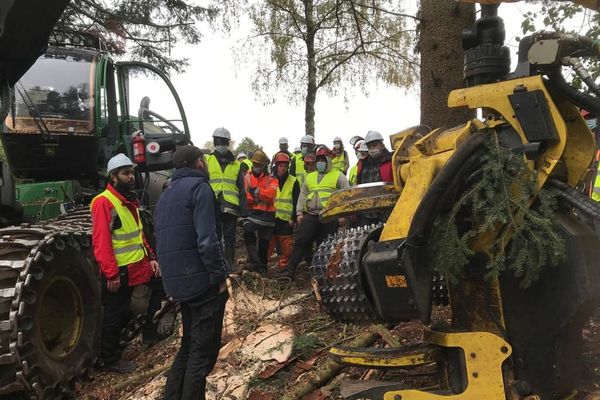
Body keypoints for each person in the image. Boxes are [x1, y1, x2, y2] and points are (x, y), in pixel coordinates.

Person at [154, 145, 229, 400]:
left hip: (178, 284)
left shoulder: (166, 194)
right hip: (201, 284)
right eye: (204, 160)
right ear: (198, 163)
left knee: (187, 348)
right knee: (201, 355)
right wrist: (219, 277)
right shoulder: (200, 189)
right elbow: (208, 240)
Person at [91, 153, 160, 373]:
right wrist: (110, 274)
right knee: (115, 314)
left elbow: (138, 234)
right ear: (113, 177)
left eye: (131, 172)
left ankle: (150, 332)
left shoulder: (129, 201)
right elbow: (101, 242)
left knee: (160, 288)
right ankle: (109, 360)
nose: (131, 177)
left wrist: (151, 258)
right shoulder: (103, 202)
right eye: (125, 173)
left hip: (139, 265)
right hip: (120, 271)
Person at [274, 146, 349, 279]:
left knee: (325, 244)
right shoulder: (310, 177)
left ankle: (323, 274)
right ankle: (290, 271)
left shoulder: (338, 176)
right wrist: (299, 213)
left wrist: (343, 215)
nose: (320, 162)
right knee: (301, 240)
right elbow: (303, 195)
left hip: (329, 216)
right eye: (318, 160)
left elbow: (347, 194)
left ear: (328, 160)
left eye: (322, 159)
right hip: (312, 215)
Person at [205, 127, 246, 271]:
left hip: (231, 205)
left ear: (228, 143)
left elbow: (242, 188)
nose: (221, 144)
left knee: (229, 237)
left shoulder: (236, 165)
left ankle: (229, 265)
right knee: (214, 237)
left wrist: (244, 211)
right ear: (215, 141)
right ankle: (218, 266)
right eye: (219, 141)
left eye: (224, 141)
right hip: (212, 203)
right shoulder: (207, 160)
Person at [242, 149, 279, 274]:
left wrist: (256, 193)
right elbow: (247, 196)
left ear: (264, 165)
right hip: (253, 215)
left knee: (264, 245)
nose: (256, 167)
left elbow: (270, 195)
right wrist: (259, 196)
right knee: (248, 231)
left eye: (259, 164)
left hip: (268, 217)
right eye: (255, 164)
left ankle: (262, 269)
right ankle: (255, 262)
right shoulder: (247, 176)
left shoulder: (272, 179)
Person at [268, 152, 300, 272]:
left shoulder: (293, 181)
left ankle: (283, 267)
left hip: (286, 219)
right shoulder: (271, 179)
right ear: (276, 166)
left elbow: (296, 200)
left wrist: (293, 218)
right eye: (280, 166)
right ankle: (264, 267)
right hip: (271, 216)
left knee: (286, 246)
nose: (283, 168)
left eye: (285, 166)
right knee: (269, 244)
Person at [356, 131, 393, 225]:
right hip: (366, 212)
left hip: (387, 210)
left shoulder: (392, 160)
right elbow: (359, 186)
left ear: (382, 144)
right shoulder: (363, 164)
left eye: (375, 145)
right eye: (369, 146)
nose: (372, 148)